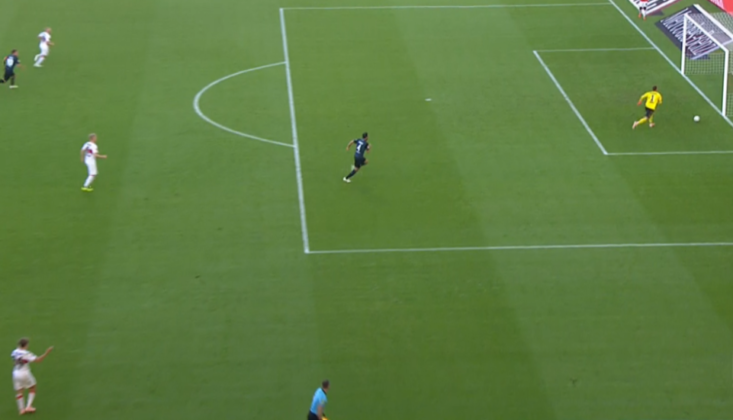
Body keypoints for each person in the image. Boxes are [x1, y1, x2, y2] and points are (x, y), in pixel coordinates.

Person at [11, 338, 53, 415]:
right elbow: (38, 360)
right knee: (32, 387)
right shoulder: (26, 353)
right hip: (24, 373)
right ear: (26, 345)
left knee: (19, 391)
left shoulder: (14, 352)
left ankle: (21, 409)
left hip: (15, 373)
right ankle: (28, 406)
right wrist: (47, 353)